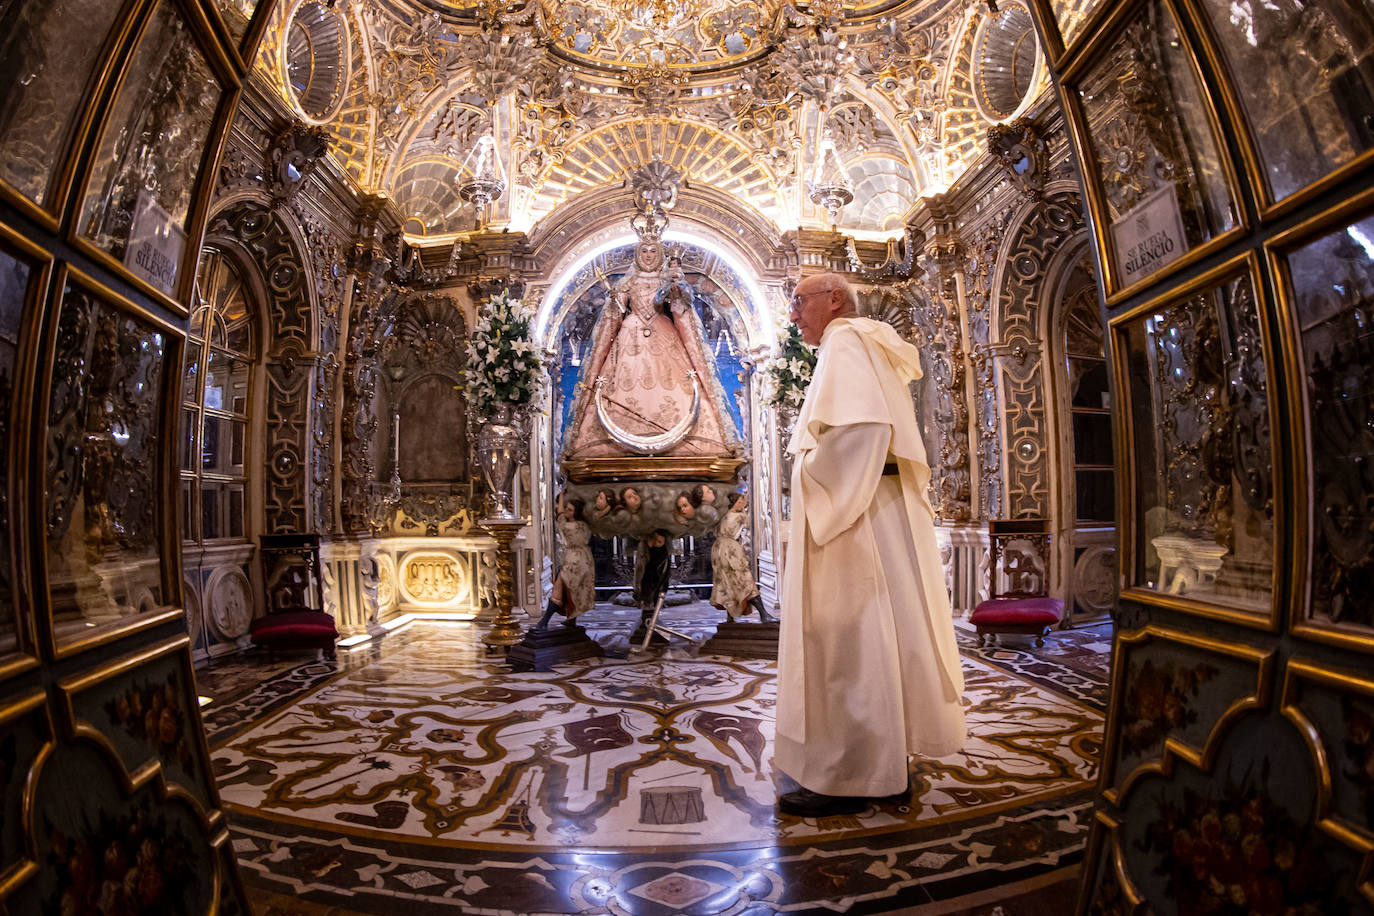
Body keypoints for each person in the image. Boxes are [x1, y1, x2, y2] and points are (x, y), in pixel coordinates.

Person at [775, 272, 966, 818]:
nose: (794, 314)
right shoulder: (862, 341)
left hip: (854, 514)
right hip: (874, 507)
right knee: (875, 637)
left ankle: (858, 774)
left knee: (850, 640)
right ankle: (879, 766)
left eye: (799, 301)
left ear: (834, 300)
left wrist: (811, 475)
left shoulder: (846, 340)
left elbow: (861, 432)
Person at [562, 237, 740, 460]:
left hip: (662, 331)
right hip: (631, 333)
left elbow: (678, 307)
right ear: (638, 254)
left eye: (652, 251)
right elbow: (614, 314)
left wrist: (677, 287)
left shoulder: (667, 279)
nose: (648, 255)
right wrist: (615, 302)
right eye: (644, 251)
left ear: (659, 255)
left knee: (673, 381)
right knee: (625, 378)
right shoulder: (628, 281)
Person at [710, 492, 773, 622]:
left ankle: (730, 616)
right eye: (740, 502)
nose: (743, 504)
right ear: (734, 503)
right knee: (744, 580)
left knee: (727, 582)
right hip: (730, 549)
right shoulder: (740, 516)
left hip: (718, 549)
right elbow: (753, 524)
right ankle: (763, 614)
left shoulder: (721, 516)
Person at [536, 496, 596, 629]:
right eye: (567, 509)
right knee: (572, 591)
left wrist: (562, 495)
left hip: (574, 561)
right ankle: (571, 620)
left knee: (559, 587)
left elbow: (560, 514)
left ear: (576, 512)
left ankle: (544, 622)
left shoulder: (570, 526)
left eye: (570, 510)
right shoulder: (585, 525)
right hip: (584, 560)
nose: (567, 512)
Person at [631, 529, 673, 643]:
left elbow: (663, 573)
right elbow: (640, 570)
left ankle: (652, 624)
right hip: (647, 583)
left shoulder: (662, 554)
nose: (658, 544)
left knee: (653, 605)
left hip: (656, 584)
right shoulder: (645, 550)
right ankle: (648, 622)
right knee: (649, 604)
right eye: (657, 541)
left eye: (661, 541)